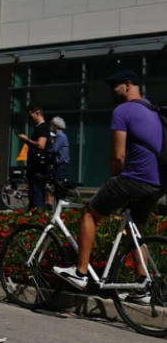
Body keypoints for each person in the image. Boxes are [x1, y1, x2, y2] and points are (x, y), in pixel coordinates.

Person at [54, 70, 161, 300]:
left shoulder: (123, 111)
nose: (112, 90)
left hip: (135, 178)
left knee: (89, 214)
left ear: (128, 85)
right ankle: (142, 285)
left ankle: (80, 273)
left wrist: (112, 179)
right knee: (135, 231)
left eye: (115, 85)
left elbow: (119, 157)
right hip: (157, 183)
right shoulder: (153, 110)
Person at [17, 105, 52, 209]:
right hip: (35, 169)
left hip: (38, 170)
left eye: (30, 116)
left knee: (36, 196)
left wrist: (26, 139)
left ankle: (37, 220)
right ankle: (35, 219)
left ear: (37, 113)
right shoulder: (39, 128)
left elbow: (41, 145)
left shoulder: (42, 127)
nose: (30, 119)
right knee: (34, 195)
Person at [49, 117, 71, 202]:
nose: (51, 126)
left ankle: (61, 208)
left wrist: (50, 144)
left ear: (55, 125)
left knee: (59, 188)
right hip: (59, 165)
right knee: (58, 187)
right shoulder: (60, 136)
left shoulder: (60, 136)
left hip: (60, 165)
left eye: (52, 125)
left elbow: (54, 149)